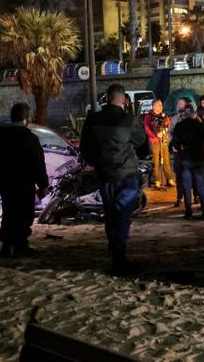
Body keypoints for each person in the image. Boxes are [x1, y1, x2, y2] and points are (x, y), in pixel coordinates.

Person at [80, 84, 147, 274]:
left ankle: (114, 246)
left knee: (110, 212)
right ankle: (119, 256)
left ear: (108, 98)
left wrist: (96, 162)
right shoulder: (129, 119)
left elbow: (85, 147)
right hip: (126, 174)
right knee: (123, 213)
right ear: (123, 99)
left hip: (104, 173)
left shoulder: (93, 119)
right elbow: (141, 142)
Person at [0, 102, 49, 258]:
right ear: (26, 118)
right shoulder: (29, 138)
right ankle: (20, 245)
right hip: (24, 183)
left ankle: (7, 246)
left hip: (5, 182)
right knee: (24, 214)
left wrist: (0, 175)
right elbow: (38, 163)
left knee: (9, 212)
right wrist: (43, 184)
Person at [171, 105, 204, 219]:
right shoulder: (200, 126)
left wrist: (182, 147)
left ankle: (188, 212)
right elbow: (203, 141)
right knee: (200, 186)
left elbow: (175, 142)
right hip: (198, 158)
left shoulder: (179, 126)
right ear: (194, 113)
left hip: (185, 159)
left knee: (187, 186)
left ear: (184, 114)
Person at [144, 99, 173, 189]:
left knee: (166, 160)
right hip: (154, 141)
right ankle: (156, 180)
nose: (161, 107)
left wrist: (166, 130)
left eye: (161, 105)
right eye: (159, 105)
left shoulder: (164, 115)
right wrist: (155, 135)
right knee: (155, 161)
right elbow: (147, 129)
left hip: (163, 140)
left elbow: (169, 124)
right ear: (154, 106)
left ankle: (169, 179)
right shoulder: (149, 116)